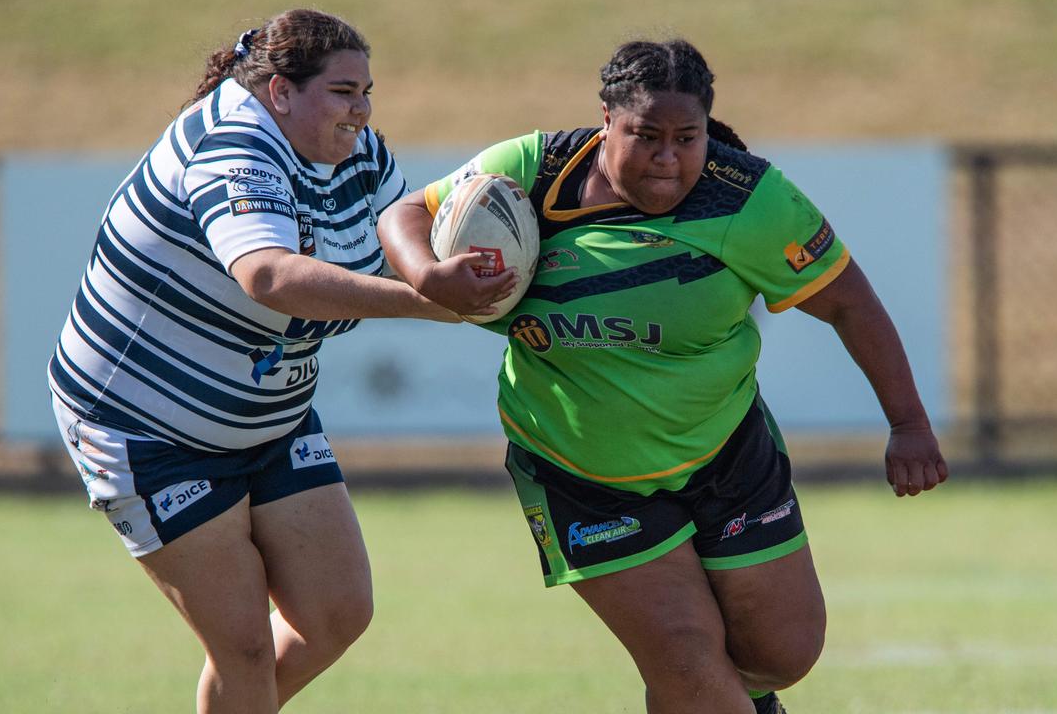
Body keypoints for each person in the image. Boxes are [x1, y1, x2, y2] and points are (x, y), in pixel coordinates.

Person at [378, 39, 948, 713]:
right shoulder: (533, 171)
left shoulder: (747, 199)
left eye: (687, 138)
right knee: (683, 653)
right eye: (645, 136)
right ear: (606, 123)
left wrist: (908, 423)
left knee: (782, 653)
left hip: (726, 455)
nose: (667, 158)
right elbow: (404, 213)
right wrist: (426, 273)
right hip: (580, 475)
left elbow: (850, 301)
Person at [46, 9, 511, 713]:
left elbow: (403, 230)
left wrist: (455, 275)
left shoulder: (358, 152)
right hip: (144, 429)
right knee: (243, 648)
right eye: (342, 91)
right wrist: (431, 302)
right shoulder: (235, 145)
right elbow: (268, 276)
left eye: (366, 92)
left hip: (268, 417)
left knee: (335, 614)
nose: (361, 110)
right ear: (281, 92)